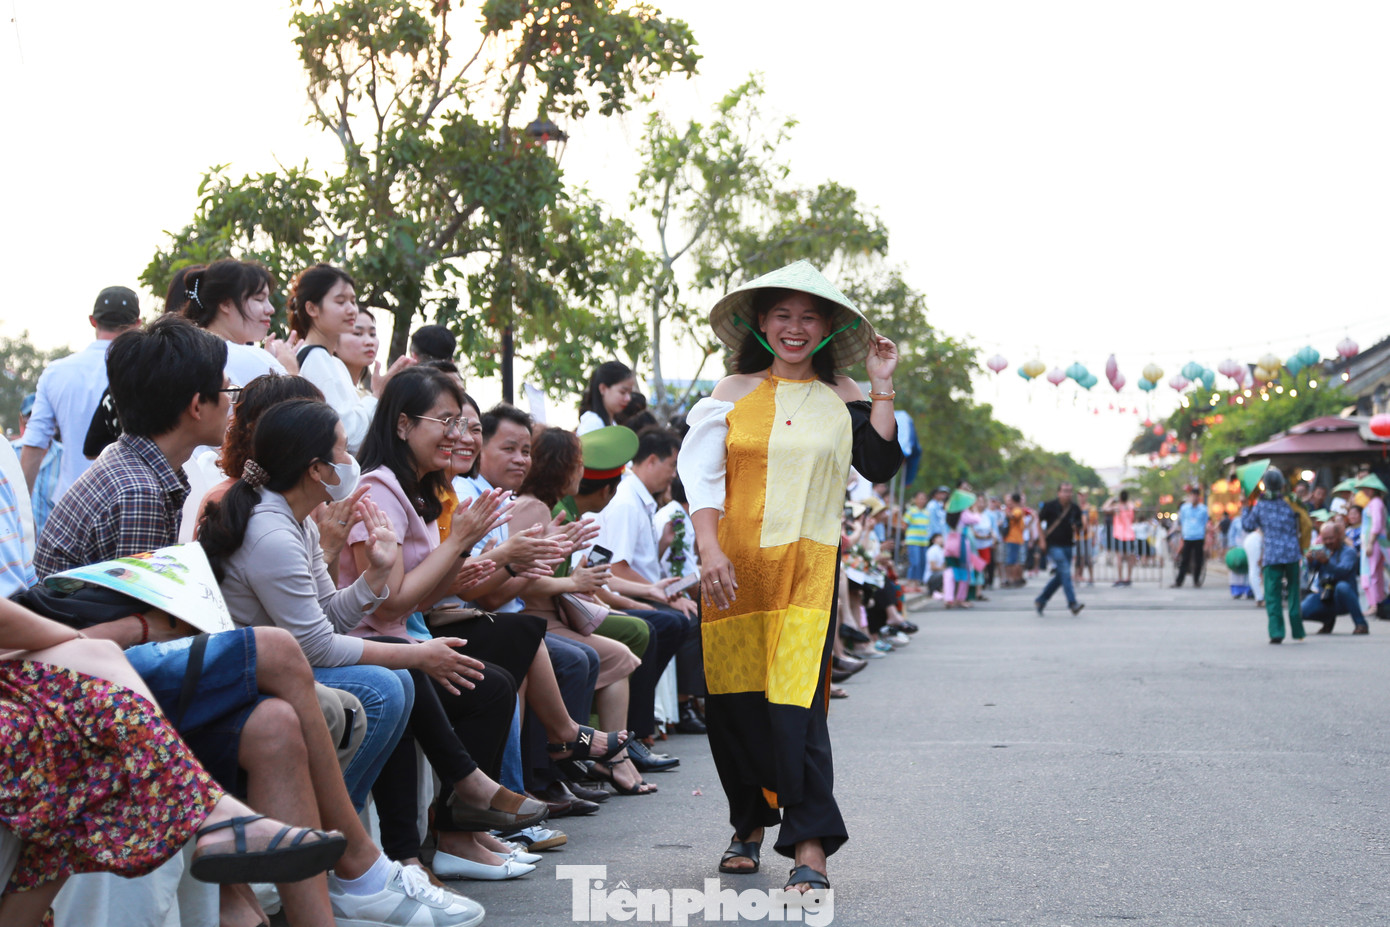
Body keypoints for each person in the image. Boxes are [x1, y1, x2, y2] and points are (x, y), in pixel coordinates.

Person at [199, 398, 546, 880]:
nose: (351, 461)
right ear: (316, 469)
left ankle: (351, 842)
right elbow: (317, 646)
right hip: (254, 676)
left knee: (401, 676)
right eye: (342, 451)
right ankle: (343, 844)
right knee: (389, 683)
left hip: (290, 663)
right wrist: (418, 656)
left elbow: (329, 617)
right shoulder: (272, 531)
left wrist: (374, 577)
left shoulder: (295, 521)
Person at [680, 260, 901, 894]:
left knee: (799, 707)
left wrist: (881, 384)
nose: (795, 328)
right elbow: (702, 478)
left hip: (808, 573)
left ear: (828, 328)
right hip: (733, 572)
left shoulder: (845, 395)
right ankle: (748, 824)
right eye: (783, 315)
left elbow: (879, 462)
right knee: (736, 706)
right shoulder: (731, 390)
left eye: (809, 317)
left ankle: (810, 848)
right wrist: (708, 549)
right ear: (762, 322)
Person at [0, 598, 349, 927]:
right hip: (90, 641)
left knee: (276, 722)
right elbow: (318, 640)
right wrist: (121, 630)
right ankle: (219, 819)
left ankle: (224, 828)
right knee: (277, 650)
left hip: (81, 643)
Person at [20, 286, 141, 502]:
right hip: (129, 499)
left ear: (93, 321)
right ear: (137, 324)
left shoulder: (56, 372)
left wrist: (20, 509)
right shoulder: (143, 370)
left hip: (69, 502)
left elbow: (35, 443)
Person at [287, 264, 411, 454]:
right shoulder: (316, 358)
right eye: (340, 301)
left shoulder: (331, 361)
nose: (352, 309)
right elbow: (348, 436)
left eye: (353, 301)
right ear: (312, 308)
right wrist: (377, 395)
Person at [179, 259, 299, 384]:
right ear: (226, 304)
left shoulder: (184, 352)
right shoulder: (253, 359)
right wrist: (289, 370)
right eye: (259, 299)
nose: (270, 309)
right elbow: (297, 396)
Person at [1241, 468, 1306, 643]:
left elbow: (1248, 525)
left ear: (1265, 485)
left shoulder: (1261, 505)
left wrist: (1245, 507)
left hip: (1272, 556)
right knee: (1294, 593)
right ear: (1282, 485)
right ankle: (1298, 631)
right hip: (1292, 553)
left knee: (1272, 595)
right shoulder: (1290, 502)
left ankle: (1277, 632)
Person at [1302, 522, 1368, 635]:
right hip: (1325, 596)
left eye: (1331, 538)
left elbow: (1342, 572)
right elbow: (1310, 571)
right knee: (1300, 611)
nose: (1328, 542)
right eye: (1325, 539)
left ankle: (1361, 624)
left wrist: (1327, 562)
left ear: (1339, 536)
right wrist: (1309, 561)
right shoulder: (1321, 550)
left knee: (1342, 587)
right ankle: (1328, 620)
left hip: (1343, 599)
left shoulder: (1349, 552)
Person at [12, 394, 61, 539]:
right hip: (20, 546)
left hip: (52, 548)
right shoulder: (9, 454)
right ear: (22, 419)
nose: (37, 422)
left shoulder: (65, 457)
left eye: (42, 417)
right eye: (30, 416)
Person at [1034, 482, 1085, 616]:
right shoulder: (1050, 506)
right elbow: (1038, 521)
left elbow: (1080, 526)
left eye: (1070, 491)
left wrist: (1077, 526)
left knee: (1061, 575)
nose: (1068, 494)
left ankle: (1041, 600)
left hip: (1068, 545)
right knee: (1065, 571)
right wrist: (1042, 539)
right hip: (1053, 544)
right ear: (1059, 493)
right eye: (1065, 491)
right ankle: (1072, 603)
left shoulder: (1074, 508)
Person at [576, 361, 636, 435]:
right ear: (603, 389)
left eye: (630, 393)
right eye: (622, 392)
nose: (628, 398)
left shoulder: (611, 422)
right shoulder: (593, 424)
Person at [1357, 474, 1387, 615]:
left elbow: (1377, 524)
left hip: (1374, 542)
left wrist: (1370, 543)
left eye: (1367, 488)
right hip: (1376, 542)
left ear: (1373, 489)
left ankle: (1374, 604)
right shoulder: (1376, 502)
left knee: (1371, 573)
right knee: (1377, 573)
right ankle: (1378, 603)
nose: (1364, 491)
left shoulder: (1375, 503)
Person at [338, 306, 380, 396]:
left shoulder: (366, 396)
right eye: (357, 333)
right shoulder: (323, 390)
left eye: (372, 334)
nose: (369, 342)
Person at [1173, 487, 1209, 587]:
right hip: (1187, 537)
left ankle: (1196, 580)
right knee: (1184, 560)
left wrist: (1206, 539)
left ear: (1199, 497)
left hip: (1199, 536)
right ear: (1190, 496)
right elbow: (1182, 521)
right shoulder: (1184, 508)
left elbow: (1205, 523)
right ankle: (1179, 581)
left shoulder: (1203, 509)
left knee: (1198, 560)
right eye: (1192, 496)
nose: (1194, 498)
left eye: (1196, 496)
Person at [1103, 490, 1137, 586]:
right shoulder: (1130, 506)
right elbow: (1136, 508)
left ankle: (1120, 578)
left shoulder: (1117, 507)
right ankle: (1128, 578)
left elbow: (1105, 508)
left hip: (1119, 534)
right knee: (1129, 557)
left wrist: (1111, 499)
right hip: (1129, 534)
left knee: (1119, 557)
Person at [902, 490, 931, 589]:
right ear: (915, 500)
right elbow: (904, 524)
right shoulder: (911, 511)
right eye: (920, 498)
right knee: (915, 562)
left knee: (922, 562)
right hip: (913, 541)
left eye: (924, 498)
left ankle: (917, 582)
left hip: (924, 541)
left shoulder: (927, 512)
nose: (922, 500)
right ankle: (910, 581)